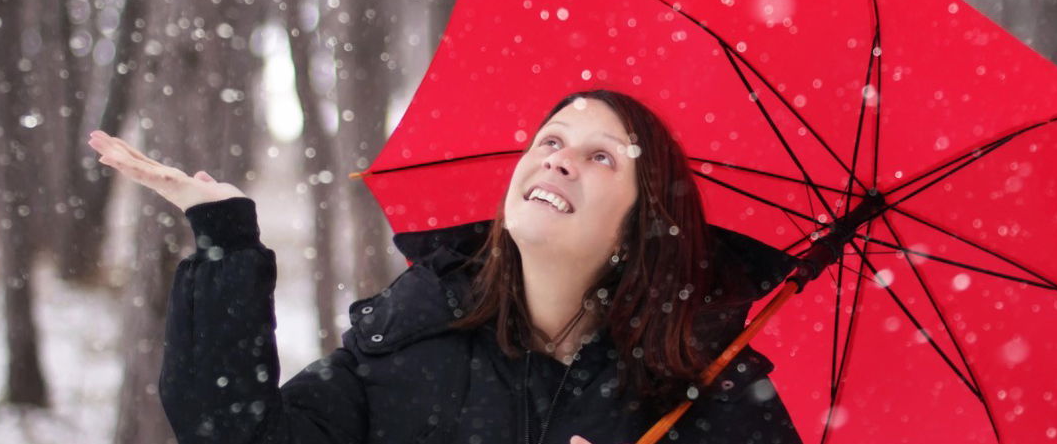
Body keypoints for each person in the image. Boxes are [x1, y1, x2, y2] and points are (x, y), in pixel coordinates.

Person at [88, 89, 801, 444]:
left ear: (641, 224)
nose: (559, 159)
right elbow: (232, 433)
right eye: (551, 140)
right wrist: (224, 237)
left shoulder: (711, 397)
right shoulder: (411, 342)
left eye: (601, 156)